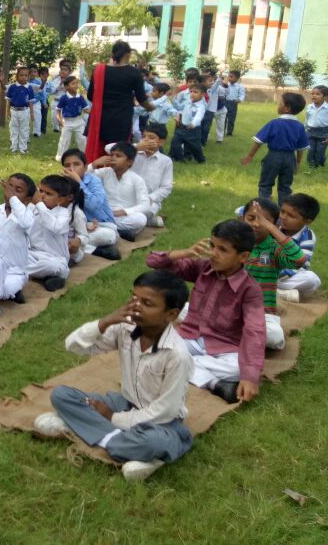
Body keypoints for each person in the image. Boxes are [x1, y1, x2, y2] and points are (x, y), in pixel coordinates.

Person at [34, 270, 194, 482]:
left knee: (154, 441)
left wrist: (112, 418)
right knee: (61, 395)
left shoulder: (177, 355)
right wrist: (104, 322)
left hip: (161, 421)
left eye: (147, 303)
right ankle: (128, 447)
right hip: (125, 402)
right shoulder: (125, 328)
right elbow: (73, 346)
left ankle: (81, 428)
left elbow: (165, 411)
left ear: (171, 315)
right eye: (134, 298)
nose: (136, 307)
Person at [146, 220, 264, 404]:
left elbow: (255, 330)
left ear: (243, 257)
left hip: (223, 347)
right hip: (189, 337)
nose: (213, 254)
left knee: (240, 370)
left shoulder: (251, 290)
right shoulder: (202, 267)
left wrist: (250, 377)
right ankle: (214, 383)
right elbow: (153, 262)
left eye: (222, 250)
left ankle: (180, 367)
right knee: (153, 350)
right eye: (212, 245)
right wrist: (185, 253)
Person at [240, 198, 306, 351]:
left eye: (263, 221)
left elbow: (299, 260)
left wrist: (271, 228)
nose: (256, 224)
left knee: (275, 337)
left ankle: (232, 333)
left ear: (274, 225)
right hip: (228, 309)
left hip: (261, 313)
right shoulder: (233, 243)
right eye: (251, 218)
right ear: (242, 218)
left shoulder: (273, 248)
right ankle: (236, 333)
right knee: (185, 309)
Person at [84, 40, 153, 163]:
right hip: (121, 118)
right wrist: (151, 107)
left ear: (113, 54)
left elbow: (90, 96)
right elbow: (142, 99)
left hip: (101, 118)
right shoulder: (134, 73)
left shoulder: (99, 70)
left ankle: (98, 169)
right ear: (128, 54)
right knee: (119, 148)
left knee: (100, 146)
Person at [241, 92, 309, 203]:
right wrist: (297, 163)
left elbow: (258, 141)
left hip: (274, 156)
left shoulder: (274, 123)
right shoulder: (300, 126)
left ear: (286, 108)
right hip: (290, 158)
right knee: (285, 187)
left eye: (280, 103)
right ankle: (284, 211)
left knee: (265, 184)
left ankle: (265, 208)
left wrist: (249, 156)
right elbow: (301, 148)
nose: (278, 105)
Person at [61, 148, 120, 260]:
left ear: (85, 167)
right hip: (76, 228)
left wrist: (79, 182)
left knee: (108, 236)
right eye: (67, 165)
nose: (71, 168)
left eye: (76, 164)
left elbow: (94, 206)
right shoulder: (62, 184)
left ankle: (82, 249)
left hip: (101, 226)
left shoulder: (94, 181)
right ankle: (92, 250)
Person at [0, 174, 36, 303]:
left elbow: (26, 223)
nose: (10, 192)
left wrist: (13, 198)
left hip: (13, 271)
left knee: (5, 288)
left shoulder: (30, 215)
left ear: (28, 199)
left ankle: (14, 290)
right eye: (9, 187)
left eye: (18, 191)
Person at [89, 142, 150, 242]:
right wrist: (94, 164)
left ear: (129, 162)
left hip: (122, 216)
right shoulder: (105, 172)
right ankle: (120, 232)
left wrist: (124, 211)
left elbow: (145, 205)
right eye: (112, 155)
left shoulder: (136, 179)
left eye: (118, 156)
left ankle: (106, 228)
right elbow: (83, 178)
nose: (113, 158)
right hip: (104, 213)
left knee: (141, 219)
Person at [26, 175, 74, 291]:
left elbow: (55, 228)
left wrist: (40, 206)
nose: (42, 196)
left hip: (54, 257)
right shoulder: (32, 209)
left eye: (48, 194)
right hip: (32, 254)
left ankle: (22, 272)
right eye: (41, 191)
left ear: (60, 200)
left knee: (53, 266)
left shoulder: (63, 214)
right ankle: (44, 276)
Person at [277, 193, 321, 300]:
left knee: (313, 279)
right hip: (260, 267)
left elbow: (302, 265)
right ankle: (280, 294)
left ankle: (275, 292)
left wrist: (275, 274)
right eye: (282, 211)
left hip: (282, 275)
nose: (283, 217)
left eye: (291, 216)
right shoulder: (274, 224)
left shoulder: (307, 237)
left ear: (307, 222)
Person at [129, 123, 173, 228]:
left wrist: (150, 198)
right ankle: (150, 222)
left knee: (143, 212)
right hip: (127, 196)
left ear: (161, 142)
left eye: (151, 138)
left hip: (149, 201)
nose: (146, 140)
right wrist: (136, 147)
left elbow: (166, 188)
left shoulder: (165, 161)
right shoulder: (132, 153)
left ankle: (140, 223)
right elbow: (109, 148)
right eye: (144, 137)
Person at [169, 84, 207, 164]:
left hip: (193, 130)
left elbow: (199, 116)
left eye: (195, 92)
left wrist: (193, 123)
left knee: (195, 147)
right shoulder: (188, 102)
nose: (192, 94)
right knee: (175, 142)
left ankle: (201, 160)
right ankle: (179, 159)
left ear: (202, 94)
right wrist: (173, 99)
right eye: (191, 92)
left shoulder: (201, 106)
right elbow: (179, 107)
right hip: (182, 127)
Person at [55, 75, 90, 160]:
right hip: (67, 122)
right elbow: (58, 110)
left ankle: (85, 156)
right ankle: (60, 157)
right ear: (66, 87)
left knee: (82, 139)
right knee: (64, 140)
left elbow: (86, 109)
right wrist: (59, 119)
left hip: (79, 121)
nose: (76, 85)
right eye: (73, 83)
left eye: (76, 83)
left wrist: (95, 113)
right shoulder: (64, 98)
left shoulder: (80, 97)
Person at [6, 66, 36, 154]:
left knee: (24, 129)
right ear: (17, 76)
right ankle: (14, 147)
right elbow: (9, 100)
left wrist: (32, 112)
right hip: (14, 110)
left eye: (26, 75)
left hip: (25, 111)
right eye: (21, 75)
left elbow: (30, 101)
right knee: (13, 129)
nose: (24, 77)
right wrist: (7, 111)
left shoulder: (29, 87)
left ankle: (23, 148)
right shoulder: (12, 87)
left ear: (28, 76)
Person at [47, 59, 74, 133]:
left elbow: (73, 92)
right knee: (54, 118)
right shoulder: (56, 79)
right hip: (56, 101)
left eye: (65, 70)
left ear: (69, 72)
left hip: (66, 102)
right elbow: (51, 91)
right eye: (62, 69)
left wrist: (66, 88)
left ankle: (64, 130)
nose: (63, 71)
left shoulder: (71, 81)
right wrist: (59, 86)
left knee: (64, 118)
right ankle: (56, 128)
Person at [306, 85, 328, 169]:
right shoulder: (309, 107)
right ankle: (311, 165)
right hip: (311, 131)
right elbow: (307, 119)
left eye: (317, 94)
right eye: (313, 94)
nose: (314, 95)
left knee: (320, 151)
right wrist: (305, 129)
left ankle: (319, 165)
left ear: (325, 96)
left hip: (323, 132)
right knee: (311, 150)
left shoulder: (327, 108)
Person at [200, 70, 223, 146]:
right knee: (199, 127)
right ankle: (198, 141)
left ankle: (203, 142)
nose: (212, 82)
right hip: (200, 111)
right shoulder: (198, 91)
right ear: (203, 83)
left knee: (206, 128)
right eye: (209, 81)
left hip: (209, 111)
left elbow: (217, 83)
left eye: (212, 81)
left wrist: (220, 74)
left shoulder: (211, 90)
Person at [224, 70, 246, 136]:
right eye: (228, 76)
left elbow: (242, 94)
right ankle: (221, 131)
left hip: (233, 103)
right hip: (225, 102)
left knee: (231, 119)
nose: (229, 78)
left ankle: (229, 132)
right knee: (224, 118)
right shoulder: (226, 85)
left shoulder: (240, 86)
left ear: (237, 78)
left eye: (231, 77)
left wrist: (239, 100)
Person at [28, 66, 45, 138]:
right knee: (26, 117)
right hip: (26, 102)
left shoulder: (39, 82)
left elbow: (42, 92)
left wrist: (44, 102)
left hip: (36, 102)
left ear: (37, 73)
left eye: (35, 72)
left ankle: (37, 132)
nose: (33, 73)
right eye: (31, 72)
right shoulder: (25, 81)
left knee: (37, 117)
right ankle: (26, 132)